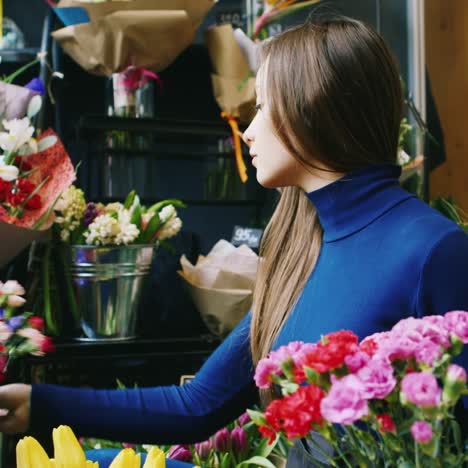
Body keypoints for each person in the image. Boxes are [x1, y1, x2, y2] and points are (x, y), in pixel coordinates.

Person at [0, 16, 467, 467]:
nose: (248, 129)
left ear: (312, 104)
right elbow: (197, 405)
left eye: (262, 106)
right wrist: (38, 403)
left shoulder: (435, 253)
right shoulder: (299, 252)